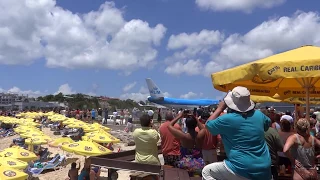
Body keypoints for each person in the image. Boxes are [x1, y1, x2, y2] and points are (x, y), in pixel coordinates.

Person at [202, 86, 271, 180]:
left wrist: (220, 108)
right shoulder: (259, 115)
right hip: (264, 167)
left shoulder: (227, 119)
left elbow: (207, 125)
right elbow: (267, 124)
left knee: (207, 171)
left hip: (241, 167)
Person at [168, 112, 205, 176]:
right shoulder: (200, 136)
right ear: (196, 125)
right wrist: (195, 118)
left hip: (185, 165)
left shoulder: (183, 136)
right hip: (199, 164)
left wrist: (179, 116)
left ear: (186, 125)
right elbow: (203, 128)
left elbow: (169, 126)